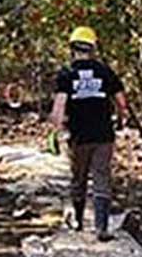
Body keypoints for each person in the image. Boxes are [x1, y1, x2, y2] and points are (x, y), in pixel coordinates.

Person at [50, 25, 128, 241]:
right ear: (93, 48)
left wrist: (56, 132)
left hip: (79, 136)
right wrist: (122, 120)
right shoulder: (105, 72)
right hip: (104, 135)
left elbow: (59, 108)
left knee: (79, 178)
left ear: (72, 48)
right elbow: (122, 103)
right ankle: (101, 227)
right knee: (102, 177)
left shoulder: (66, 75)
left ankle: (78, 221)